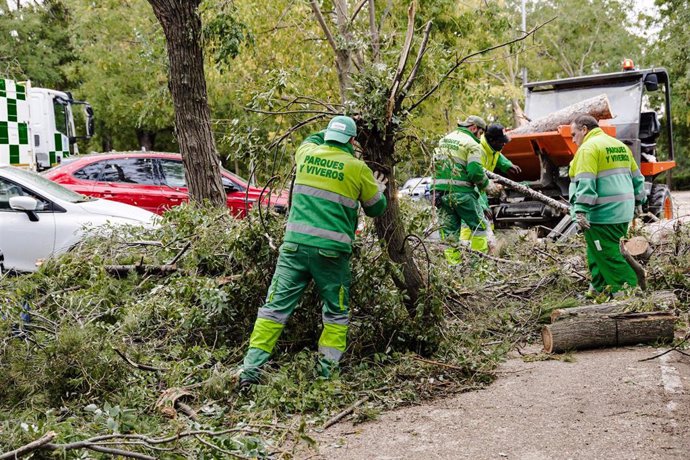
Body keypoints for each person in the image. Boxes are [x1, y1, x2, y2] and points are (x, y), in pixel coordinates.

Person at [240, 115, 388, 386]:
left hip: (294, 249)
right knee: (335, 313)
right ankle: (326, 375)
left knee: (273, 309)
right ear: (353, 141)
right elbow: (377, 209)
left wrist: (335, 128)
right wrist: (378, 189)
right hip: (332, 255)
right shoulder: (358, 168)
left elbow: (312, 138)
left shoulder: (306, 154)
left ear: (329, 135)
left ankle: (249, 372)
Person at [568, 114, 646, 297]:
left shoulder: (588, 148)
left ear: (584, 129)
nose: (573, 140)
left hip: (602, 214)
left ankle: (630, 294)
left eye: (573, 134)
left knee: (610, 255)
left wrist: (580, 211)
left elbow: (586, 184)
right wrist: (639, 201)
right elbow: (637, 178)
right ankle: (598, 291)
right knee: (596, 251)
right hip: (622, 212)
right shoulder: (619, 146)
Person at [431, 115, 490, 261]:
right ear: (474, 128)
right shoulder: (471, 143)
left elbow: (434, 166)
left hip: (441, 194)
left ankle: (453, 267)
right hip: (463, 194)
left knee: (449, 232)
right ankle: (478, 264)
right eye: (481, 133)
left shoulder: (444, 139)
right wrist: (487, 185)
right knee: (479, 228)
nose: (480, 137)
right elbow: (475, 172)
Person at [460, 123, 521, 252]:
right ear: (492, 140)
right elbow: (475, 179)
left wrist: (508, 165)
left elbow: (498, 157)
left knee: (488, 224)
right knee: (471, 225)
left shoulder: (493, 149)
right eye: (501, 142)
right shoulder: (479, 150)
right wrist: (482, 205)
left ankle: (487, 252)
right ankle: (465, 250)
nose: (503, 145)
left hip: (482, 190)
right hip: (472, 192)